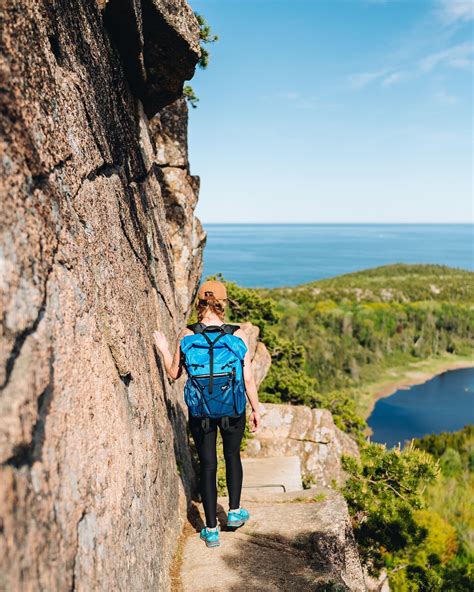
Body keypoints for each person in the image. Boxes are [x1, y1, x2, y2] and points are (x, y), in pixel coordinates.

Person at [153, 279, 261, 548]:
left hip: (201, 412)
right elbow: (248, 380)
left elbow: (173, 373)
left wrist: (165, 349)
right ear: (222, 305)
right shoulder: (236, 336)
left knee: (208, 465)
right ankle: (234, 513)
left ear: (199, 305)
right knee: (232, 455)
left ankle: (211, 530)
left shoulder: (188, 336)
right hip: (233, 408)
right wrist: (257, 409)